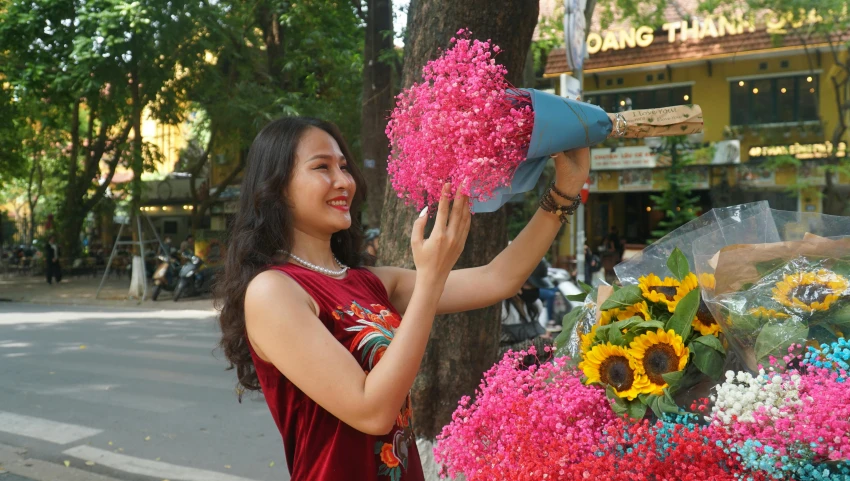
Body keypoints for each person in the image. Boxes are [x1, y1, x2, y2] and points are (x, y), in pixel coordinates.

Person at [215, 117, 589, 480]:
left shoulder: (369, 283)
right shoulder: (273, 291)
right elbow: (371, 411)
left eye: (344, 167)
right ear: (277, 187)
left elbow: (498, 278)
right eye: (322, 167)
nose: (343, 180)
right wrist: (430, 278)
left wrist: (565, 190)